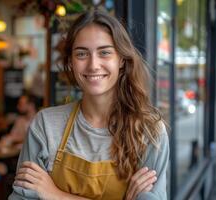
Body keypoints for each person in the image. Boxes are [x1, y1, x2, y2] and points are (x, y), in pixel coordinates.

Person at [9, 9, 169, 200]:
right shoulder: (45, 125)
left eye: (105, 52)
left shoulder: (149, 130)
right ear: (70, 62)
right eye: (82, 54)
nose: (93, 65)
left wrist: (56, 195)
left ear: (121, 60)